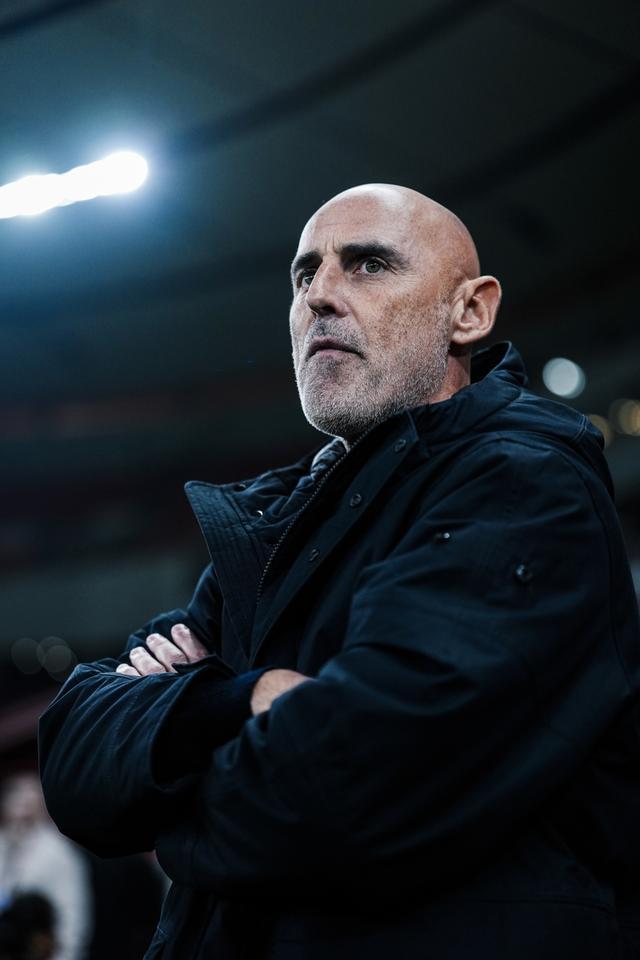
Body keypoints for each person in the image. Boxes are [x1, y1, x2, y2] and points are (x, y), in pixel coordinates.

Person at [38, 185, 640, 959]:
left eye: (368, 264)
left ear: (470, 311)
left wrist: (169, 808)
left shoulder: (523, 485)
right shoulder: (282, 521)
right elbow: (73, 758)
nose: (318, 295)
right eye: (304, 274)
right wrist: (241, 698)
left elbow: (348, 784)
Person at [0, 774, 90, 960]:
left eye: (28, 806)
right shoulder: (3, 844)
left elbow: (72, 918)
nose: (21, 812)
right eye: (15, 803)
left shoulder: (59, 854)